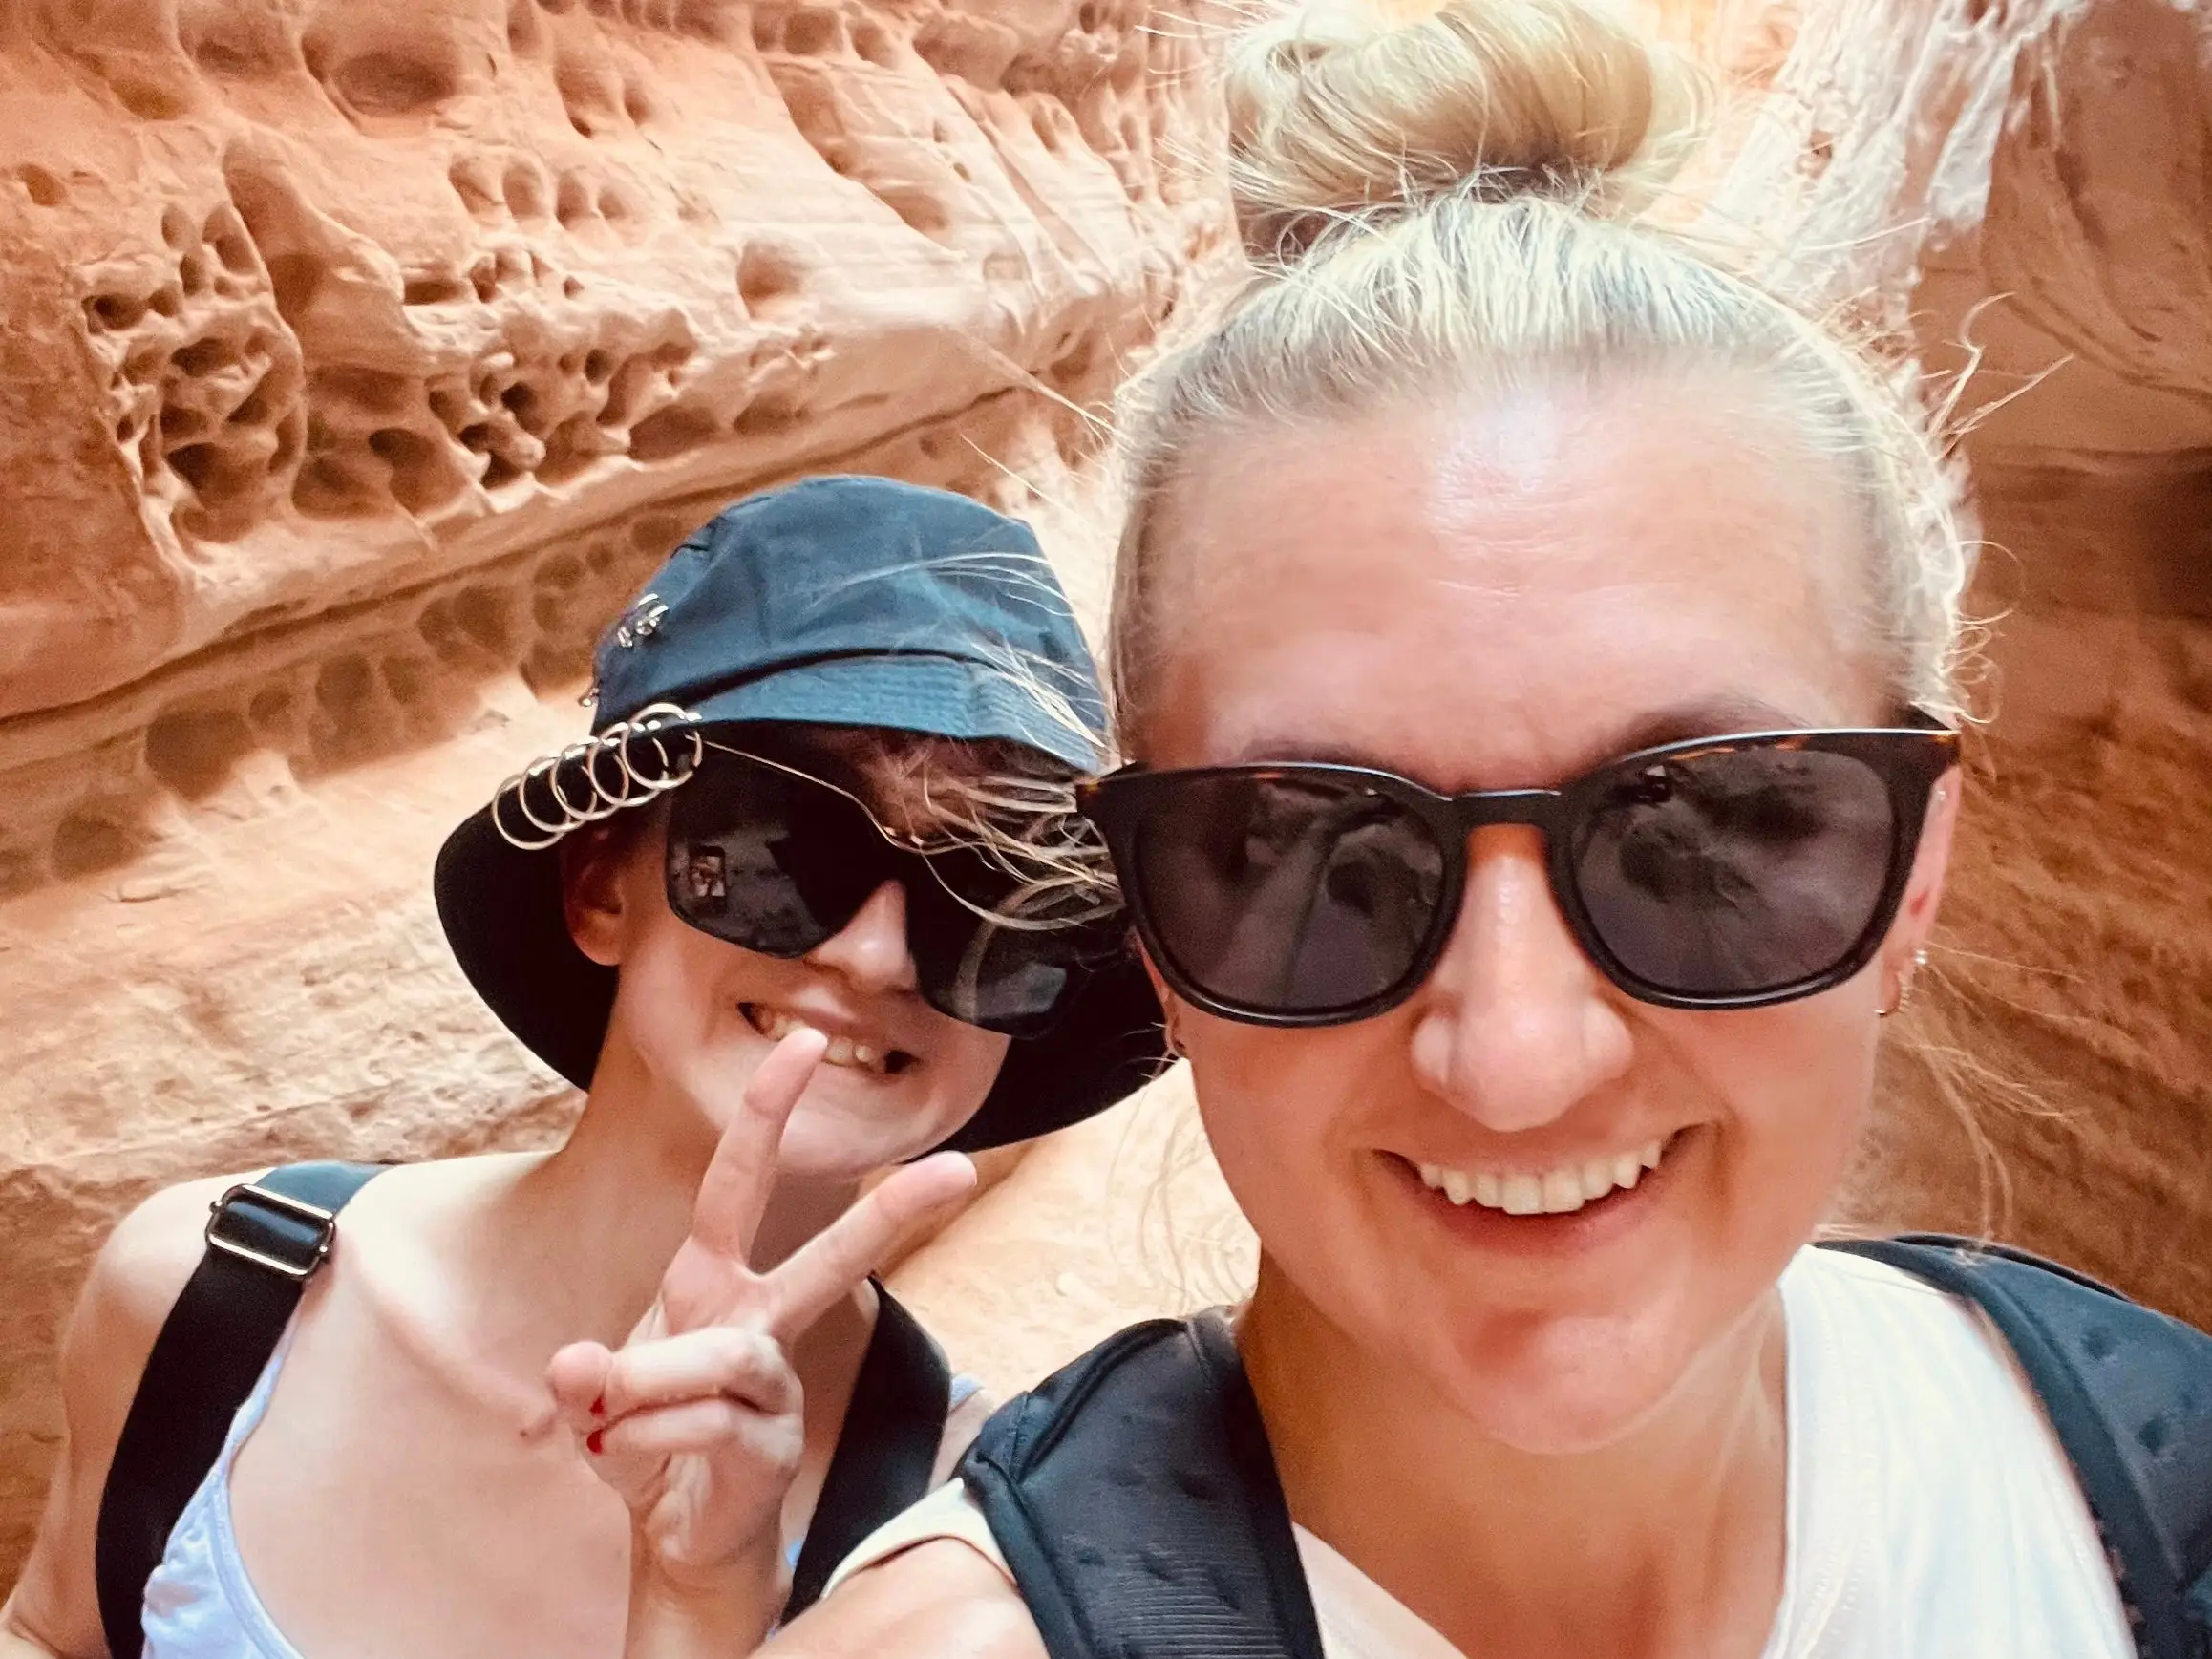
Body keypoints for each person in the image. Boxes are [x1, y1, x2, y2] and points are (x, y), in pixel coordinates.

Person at [603, 6, 2212, 1657]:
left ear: (1915, 869)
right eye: (1310, 856)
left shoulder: (2165, 1491)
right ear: (1152, 929)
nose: (1516, 1060)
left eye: (1708, 827)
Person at [0, 476, 1161, 1659]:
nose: (874, 952)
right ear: (602, 884)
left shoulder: (959, 1551)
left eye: (987, 901)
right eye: (777, 847)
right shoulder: (215, 1299)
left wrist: (702, 1608)